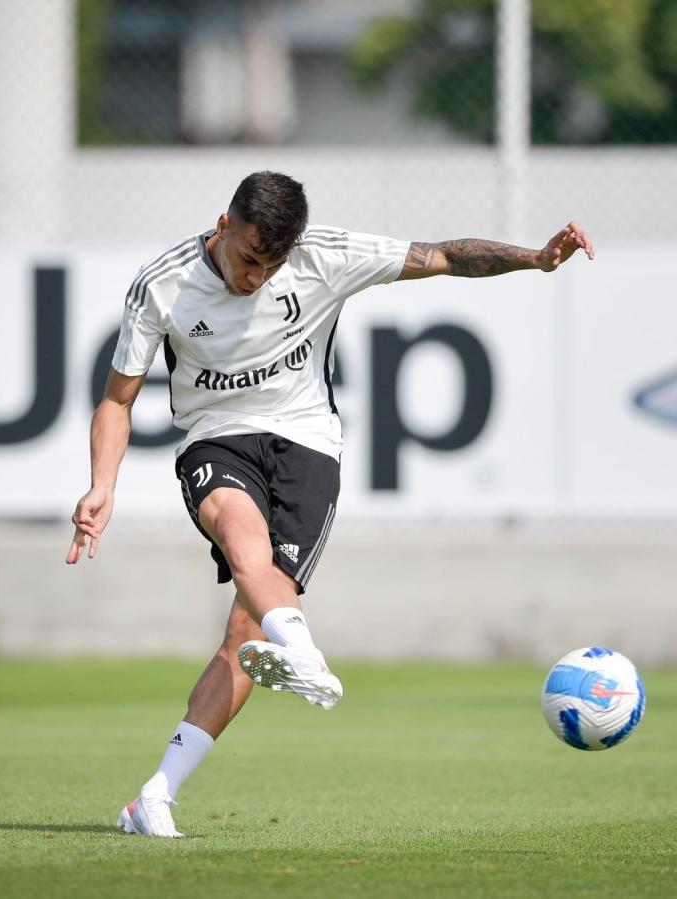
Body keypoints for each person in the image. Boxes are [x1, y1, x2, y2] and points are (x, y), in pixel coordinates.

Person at [66, 171, 594, 838]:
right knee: (241, 536)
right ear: (223, 225)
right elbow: (118, 399)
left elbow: (443, 255)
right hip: (216, 438)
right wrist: (103, 483)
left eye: (272, 265)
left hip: (307, 444)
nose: (256, 278)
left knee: (246, 634)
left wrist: (536, 258)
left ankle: (154, 796)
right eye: (248, 259)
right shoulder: (162, 284)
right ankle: (304, 650)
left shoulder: (325, 256)